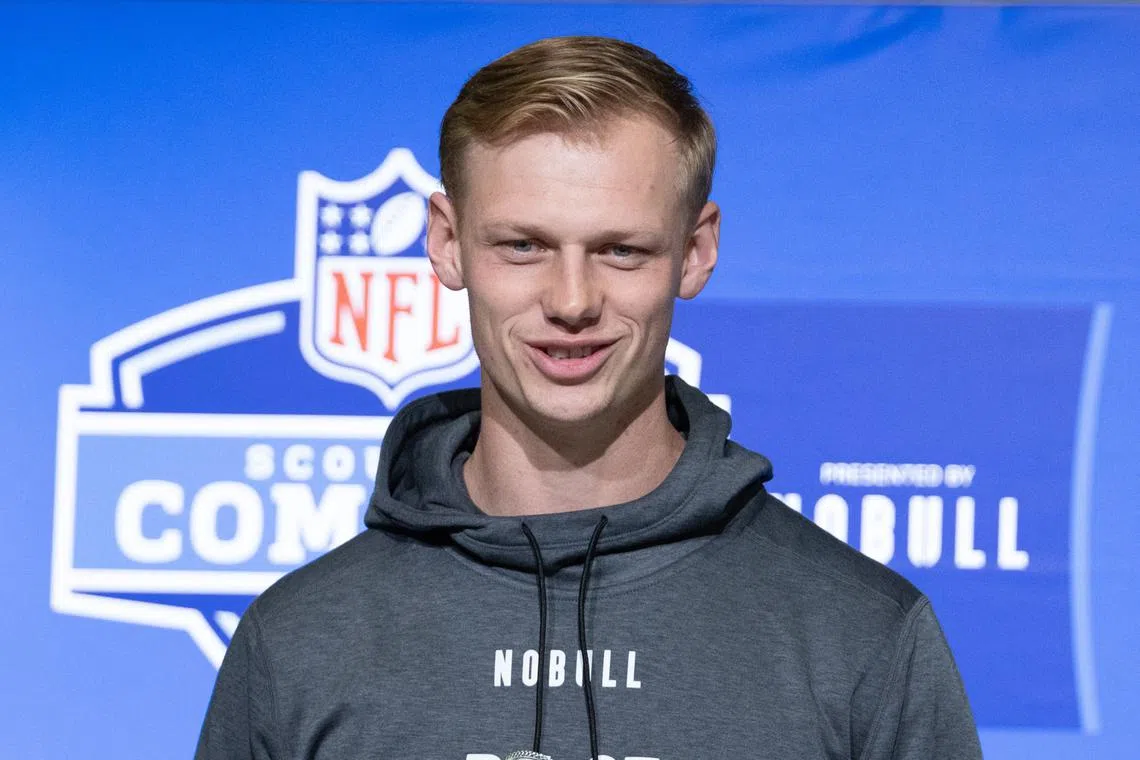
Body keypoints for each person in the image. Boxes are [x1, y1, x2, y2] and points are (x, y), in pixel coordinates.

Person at [196, 36, 982, 760]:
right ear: (446, 240)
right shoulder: (298, 640)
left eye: (620, 249)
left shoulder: (862, 635)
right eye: (524, 245)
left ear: (696, 252)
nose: (572, 300)